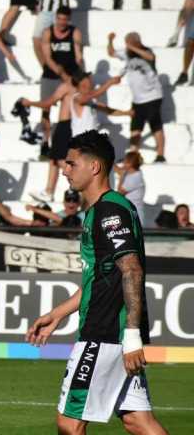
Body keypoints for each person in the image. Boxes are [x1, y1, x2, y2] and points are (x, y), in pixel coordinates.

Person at [26, 130, 168, 435]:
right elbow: (100, 277)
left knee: (69, 423)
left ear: (94, 167)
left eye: (70, 164)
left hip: (104, 334)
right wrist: (58, 314)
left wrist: (131, 335)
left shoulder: (109, 210)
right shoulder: (102, 210)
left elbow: (131, 270)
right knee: (137, 421)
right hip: (113, 334)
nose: (64, 171)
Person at [22, 71, 128, 203]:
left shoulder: (90, 99)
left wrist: (127, 113)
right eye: (88, 80)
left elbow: (107, 109)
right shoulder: (77, 97)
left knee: (90, 173)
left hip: (91, 143)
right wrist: (109, 83)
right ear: (82, 83)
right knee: (72, 168)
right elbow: (90, 95)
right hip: (82, 145)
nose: (91, 82)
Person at [109, 32, 166, 163]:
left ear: (137, 42)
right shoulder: (127, 54)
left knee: (155, 125)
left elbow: (151, 57)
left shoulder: (146, 52)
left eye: (129, 43)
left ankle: (160, 155)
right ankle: (133, 156)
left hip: (152, 97)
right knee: (135, 128)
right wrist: (110, 40)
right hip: (137, 100)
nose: (127, 46)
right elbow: (111, 52)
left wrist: (132, 47)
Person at [38, 6, 82, 145]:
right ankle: (45, 141)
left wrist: (78, 76)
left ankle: (64, 142)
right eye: (59, 19)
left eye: (65, 19)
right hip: (51, 75)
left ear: (69, 20)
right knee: (46, 109)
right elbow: (47, 58)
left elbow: (78, 56)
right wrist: (61, 73)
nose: (62, 22)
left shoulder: (75, 32)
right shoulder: (47, 32)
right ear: (55, 18)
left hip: (69, 76)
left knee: (68, 111)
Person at [115, 151, 146, 227]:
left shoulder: (135, 178)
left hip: (134, 217)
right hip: (128, 214)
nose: (123, 163)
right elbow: (118, 170)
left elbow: (119, 193)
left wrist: (121, 178)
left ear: (130, 164)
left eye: (125, 161)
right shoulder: (133, 173)